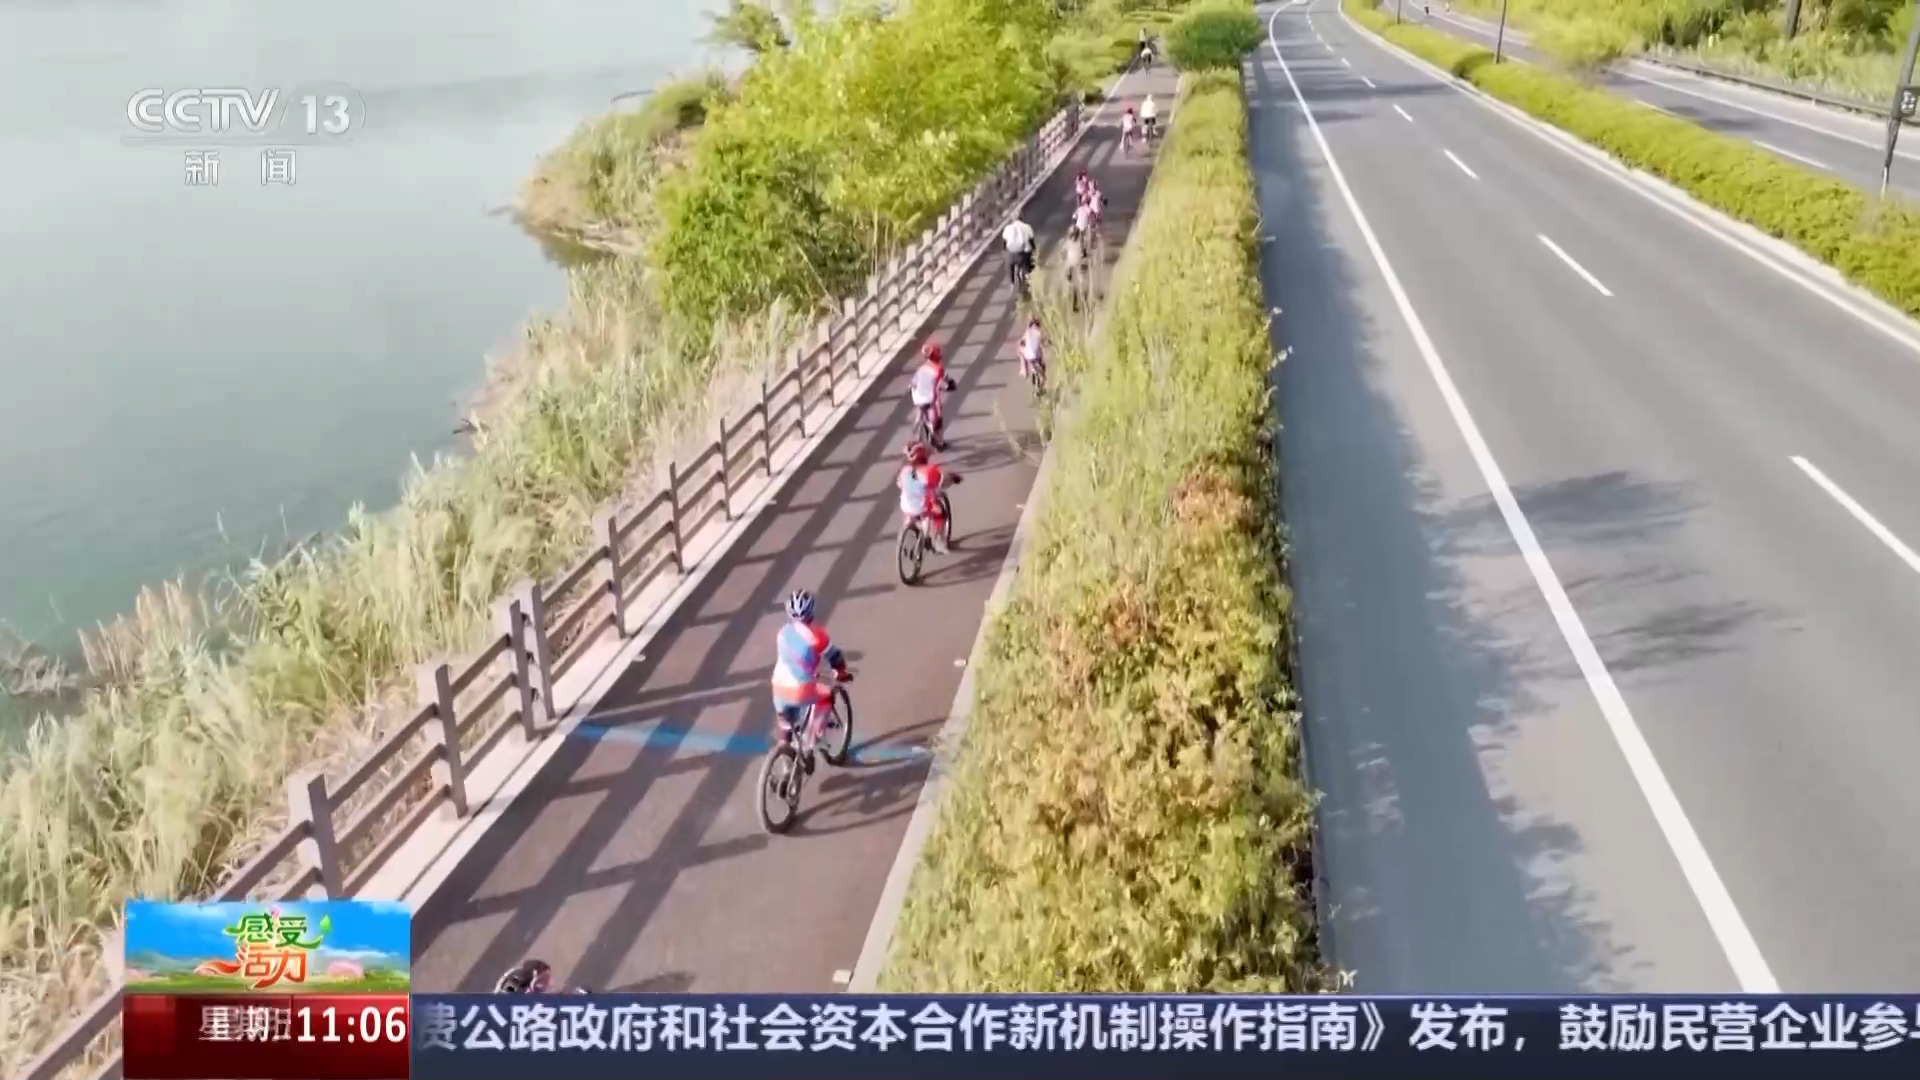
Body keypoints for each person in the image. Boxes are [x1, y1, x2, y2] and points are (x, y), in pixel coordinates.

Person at [770, 589, 850, 753]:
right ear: (811, 610)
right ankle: (814, 737)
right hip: (801, 690)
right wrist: (841, 673)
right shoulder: (818, 636)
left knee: (785, 720)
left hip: (778, 688)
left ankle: (784, 755)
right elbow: (835, 658)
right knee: (826, 695)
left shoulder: (782, 633)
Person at [897, 441, 961, 554]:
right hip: (922, 506)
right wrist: (954, 478)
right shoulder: (929, 471)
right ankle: (939, 543)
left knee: (911, 510)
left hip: (906, 505)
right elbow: (942, 480)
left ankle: (912, 526)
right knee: (940, 515)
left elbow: (899, 484)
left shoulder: (904, 471)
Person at [910, 342, 957, 448]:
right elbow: (945, 383)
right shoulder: (939, 369)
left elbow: (912, 383)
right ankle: (939, 441)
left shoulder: (921, 368)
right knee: (937, 414)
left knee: (919, 410)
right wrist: (949, 386)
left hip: (917, 397)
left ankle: (919, 429)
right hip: (929, 398)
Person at [1002, 213, 1036, 290]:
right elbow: (1031, 241)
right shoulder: (1027, 227)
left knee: (1009, 265)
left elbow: (1004, 243)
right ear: (1021, 218)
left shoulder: (1007, 228)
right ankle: (1029, 277)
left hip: (1011, 254)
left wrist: (1005, 252)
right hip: (1023, 254)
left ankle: (1012, 283)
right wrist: (1034, 250)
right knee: (1029, 267)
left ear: (1012, 220)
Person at [1015, 317, 1044, 384]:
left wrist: (1022, 343)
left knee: (1020, 350)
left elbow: (1021, 341)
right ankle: (1041, 364)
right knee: (1040, 350)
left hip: (1028, 355)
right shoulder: (1040, 332)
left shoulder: (1028, 332)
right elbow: (1043, 342)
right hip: (1038, 355)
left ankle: (1024, 370)